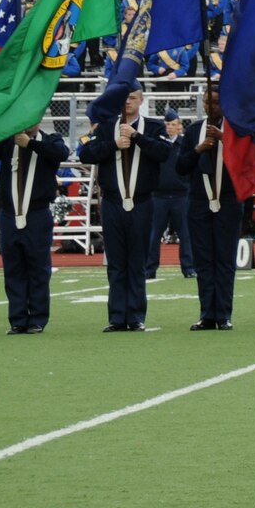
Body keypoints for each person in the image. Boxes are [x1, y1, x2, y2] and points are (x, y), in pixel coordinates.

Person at [78, 72, 173, 331]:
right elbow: (84, 153)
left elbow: (165, 153)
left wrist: (137, 138)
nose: (128, 102)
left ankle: (136, 316)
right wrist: (112, 145)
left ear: (142, 100)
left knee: (137, 260)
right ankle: (117, 316)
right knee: (116, 262)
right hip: (113, 203)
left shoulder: (153, 126)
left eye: (132, 98)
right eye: (124, 98)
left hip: (142, 202)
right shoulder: (106, 126)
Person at [178, 83, 248, 330]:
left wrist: (225, 141)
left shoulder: (237, 130)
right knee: (204, 260)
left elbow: (245, 162)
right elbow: (180, 167)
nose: (211, 107)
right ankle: (207, 313)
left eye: (216, 103)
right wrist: (198, 150)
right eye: (207, 102)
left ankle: (224, 314)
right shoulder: (194, 130)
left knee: (225, 260)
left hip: (228, 201)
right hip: (199, 201)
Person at [0, 121, 70, 334]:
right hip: (9, 214)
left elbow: (61, 153)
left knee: (38, 268)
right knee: (13, 269)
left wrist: (29, 143)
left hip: (37, 213)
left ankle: (37, 319)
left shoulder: (51, 140)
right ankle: (18, 319)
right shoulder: (5, 141)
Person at [145, 109, 195, 282]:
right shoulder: (157, 144)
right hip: (159, 195)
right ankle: (150, 268)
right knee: (154, 234)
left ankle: (188, 267)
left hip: (181, 195)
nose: (170, 128)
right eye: (167, 124)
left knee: (186, 234)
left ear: (180, 127)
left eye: (173, 124)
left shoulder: (184, 145)